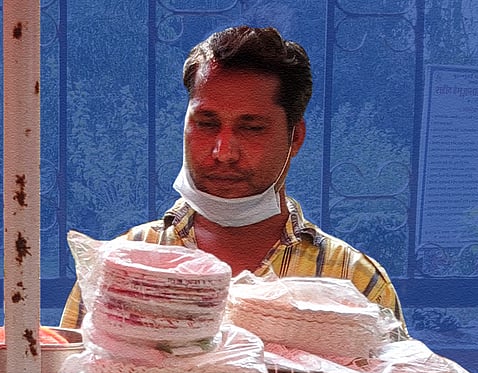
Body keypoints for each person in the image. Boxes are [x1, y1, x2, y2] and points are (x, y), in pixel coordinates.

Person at [60, 25, 404, 329]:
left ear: (295, 138)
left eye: (251, 128)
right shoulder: (120, 267)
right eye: (206, 124)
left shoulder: (351, 279)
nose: (223, 152)